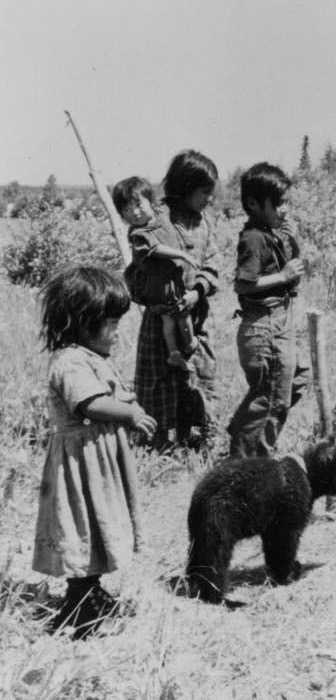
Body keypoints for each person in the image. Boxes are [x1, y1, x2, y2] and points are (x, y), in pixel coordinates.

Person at [33, 264, 157, 639]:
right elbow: (89, 404)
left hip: (98, 461)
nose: (118, 333)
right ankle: (78, 609)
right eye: (111, 324)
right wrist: (131, 412)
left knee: (100, 527)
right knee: (85, 527)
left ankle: (91, 593)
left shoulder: (90, 356)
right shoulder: (70, 361)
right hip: (81, 465)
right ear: (83, 322)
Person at [132, 150, 221, 450]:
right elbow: (138, 266)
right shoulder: (158, 218)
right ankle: (156, 441)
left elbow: (213, 262)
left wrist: (198, 291)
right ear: (185, 186)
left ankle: (194, 436)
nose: (209, 199)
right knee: (159, 379)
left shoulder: (205, 223)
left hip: (195, 319)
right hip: (161, 316)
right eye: (204, 192)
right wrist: (154, 294)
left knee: (199, 374)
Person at [227, 162, 309, 458]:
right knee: (272, 398)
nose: (284, 209)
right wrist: (283, 276)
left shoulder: (268, 233)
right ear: (253, 203)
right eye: (278, 203)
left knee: (296, 379)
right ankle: (252, 461)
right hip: (265, 326)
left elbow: (291, 268)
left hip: (278, 322)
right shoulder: (253, 237)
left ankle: (244, 437)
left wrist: (291, 239)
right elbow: (243, 284)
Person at [112, 176, 200, 372]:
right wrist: (182, 254)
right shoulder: (138, 235)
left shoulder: (162, 214)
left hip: (173, 280)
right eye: (127, 210)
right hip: (161, 286)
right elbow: (157, 248)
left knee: (175, 319)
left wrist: (187, 243)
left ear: (150, 201)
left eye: (138, 204)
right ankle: (184, 348)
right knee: (176, 318)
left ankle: (181, 350)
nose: (134, 212)